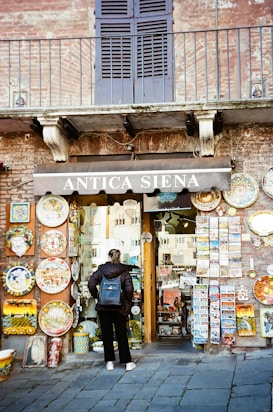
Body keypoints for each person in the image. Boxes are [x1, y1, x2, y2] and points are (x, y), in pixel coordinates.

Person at [88, 249, 136, 371]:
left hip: (104, 307)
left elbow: (91, 284)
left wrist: (98, 296)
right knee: (121, 334)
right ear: (119, 257)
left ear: (109, 257)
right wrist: (126, 301)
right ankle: (127, 363)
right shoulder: (124, 271)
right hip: (119, 307)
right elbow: (129, 289)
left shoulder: (101, 270)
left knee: (107, 334)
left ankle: (110, 362)